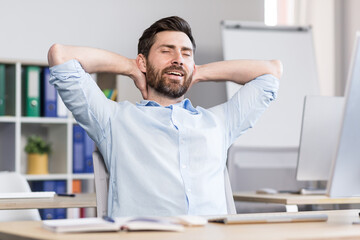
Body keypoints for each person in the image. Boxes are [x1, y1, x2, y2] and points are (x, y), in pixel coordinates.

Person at [48, 16, 282, 217]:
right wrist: (131, 67)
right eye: (166, 51)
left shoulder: (219, 123)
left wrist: (197, 73)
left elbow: (271, 72)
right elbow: (60, 56)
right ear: (143, 61)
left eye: (186, 53)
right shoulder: (114, 120)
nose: (178, 58)